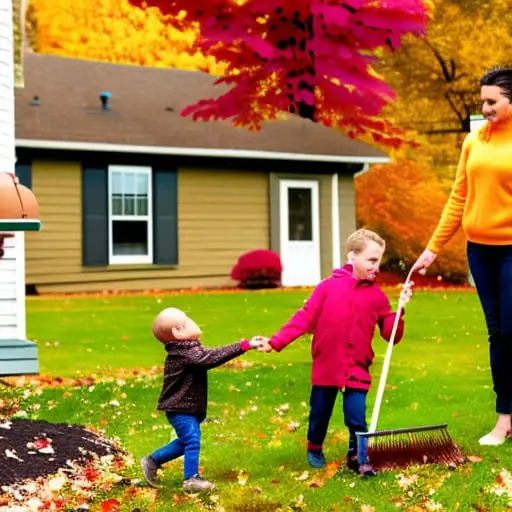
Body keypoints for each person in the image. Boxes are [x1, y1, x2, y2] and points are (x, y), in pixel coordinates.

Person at [258, 229, 413, 475]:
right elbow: (303, 318)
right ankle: (314, 446)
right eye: (371, 260)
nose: (376, 266)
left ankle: (356, 456)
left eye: (379, 261)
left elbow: (391, 335)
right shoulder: (328, 287)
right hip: (327, 363)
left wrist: (400, 311)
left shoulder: (377, 296)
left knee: (356, 416)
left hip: (357, 366)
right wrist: (276, 342)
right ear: (352, 256)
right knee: (320, 411)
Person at [412, 67, 512, 447]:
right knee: (498, 334)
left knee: (511, 330)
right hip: (480, 251)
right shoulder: (474, 141)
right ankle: (504, 419)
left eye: (492, 101)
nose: (484, 108)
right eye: (482, 101)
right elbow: (458, 197)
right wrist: (432, 249)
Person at [140, 307, 263, 492]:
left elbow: (205, 355)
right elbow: (209, 358)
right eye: (187, 319)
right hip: (180, 408)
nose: (192, 320)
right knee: (192, 441)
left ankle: (152, 460)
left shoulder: (188, 348)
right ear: (178, 331)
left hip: (186, 408)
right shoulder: (184, 353)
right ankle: (191, 480)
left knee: (186, 442)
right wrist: (244, 346)